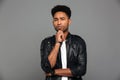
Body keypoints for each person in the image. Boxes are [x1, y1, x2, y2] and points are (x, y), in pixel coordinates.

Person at [40, 5, 87, 80]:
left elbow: (81, 70)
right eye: (56, 19)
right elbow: (47, 67)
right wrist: (57, 43)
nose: (59, 22)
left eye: (62, 19)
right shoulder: (47, 42)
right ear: (53, 22)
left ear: (69, 21)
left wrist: (54, 72)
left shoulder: (78, 42)